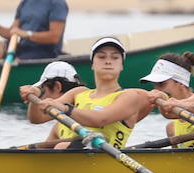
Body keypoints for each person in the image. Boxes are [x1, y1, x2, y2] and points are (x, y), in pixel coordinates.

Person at [23, 37, 152, 150]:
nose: (108, 61)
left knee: (61, 146)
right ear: (92, 64)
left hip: (103, 160)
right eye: (101, 57)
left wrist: (64, 108)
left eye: (115, 57)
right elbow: (37, 118)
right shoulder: (78, 93)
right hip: (69, 154)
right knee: (53, 140)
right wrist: (36, 95)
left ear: (121, 66)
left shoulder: (128, 97)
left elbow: (100, 119)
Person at [138, 51, 194, 146]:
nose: (157, 91)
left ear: (181, 82)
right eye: (155, 85)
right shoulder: (171, 128)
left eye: (161, 84)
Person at [16, 61, 82, 148]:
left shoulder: (81, 93)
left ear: (57, 87)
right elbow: (35, 119)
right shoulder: (58, 127)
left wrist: (36, 93)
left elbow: (38, 117)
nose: (42, 98)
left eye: (43, 90)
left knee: (61, 146)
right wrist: (34, 97)